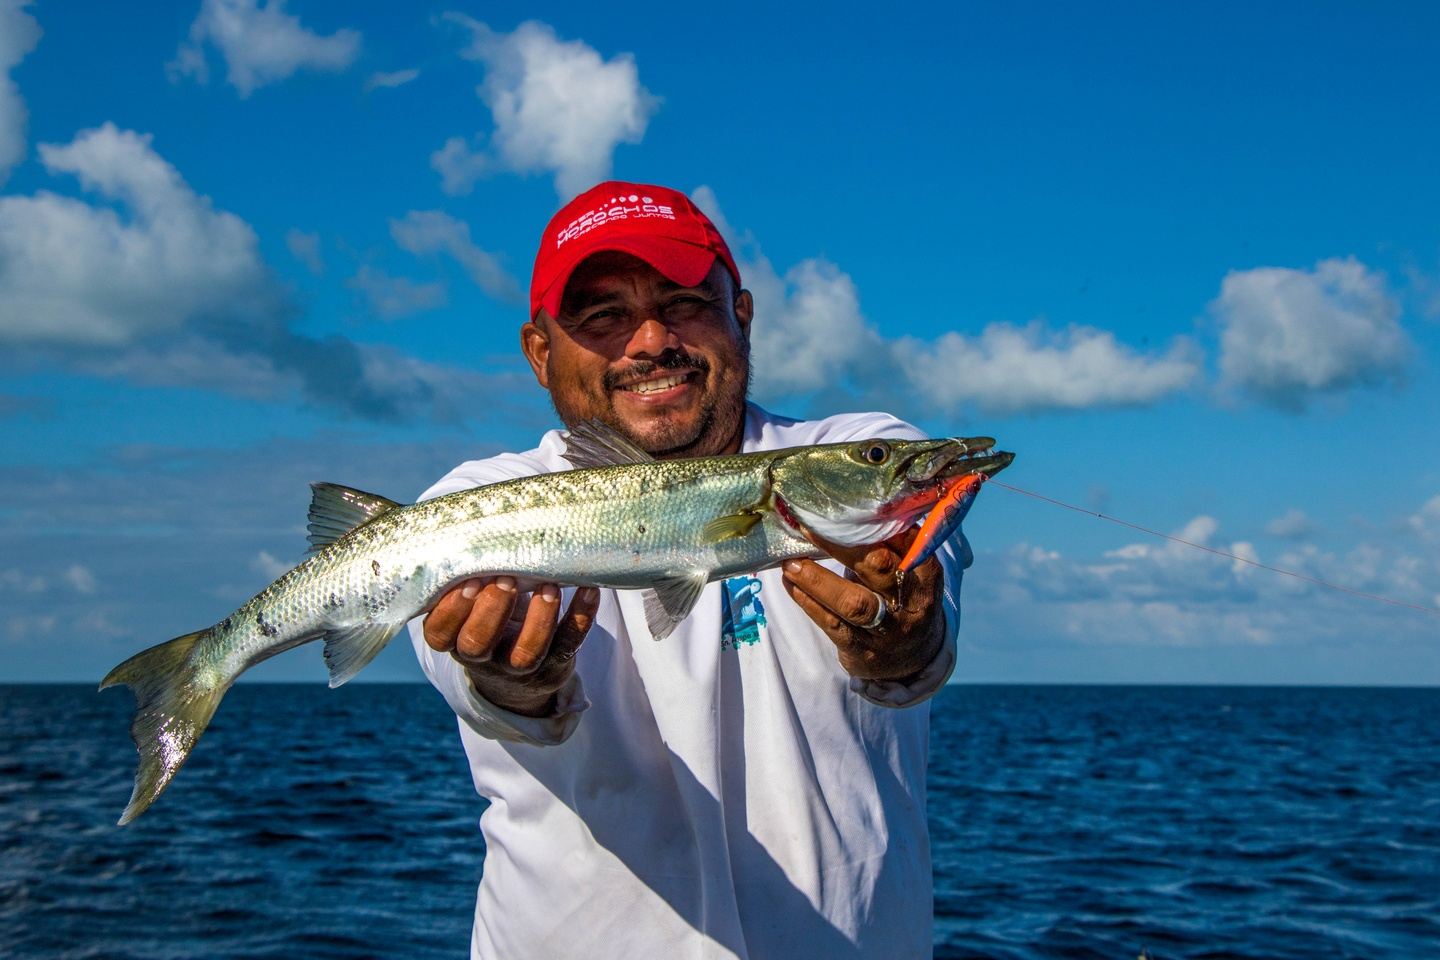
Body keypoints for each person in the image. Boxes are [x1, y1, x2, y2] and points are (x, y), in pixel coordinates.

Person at [408, 181, 971, 959]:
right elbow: (472, 680)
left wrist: (905, 638)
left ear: (740, 314)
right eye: (602, 316)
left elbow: (929, 592)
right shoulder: (474, 509)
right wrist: (512, 680)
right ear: (540, 352)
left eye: (683, 302)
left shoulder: (864, 454)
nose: (650, 342)